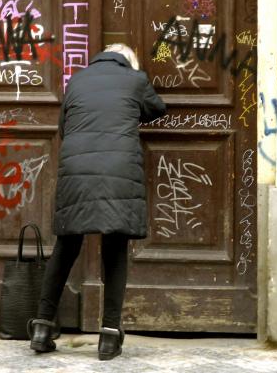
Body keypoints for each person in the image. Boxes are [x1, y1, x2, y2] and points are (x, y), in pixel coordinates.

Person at [28, 43, 166, 360]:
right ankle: (109, 336)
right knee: (115, 248)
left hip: (77, 169)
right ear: (129, 61)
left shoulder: (77, 79)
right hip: (118, 170)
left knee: (66, 246)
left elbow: (64, 127)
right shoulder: (136, 79)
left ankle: (42, 327)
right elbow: (158, 109)